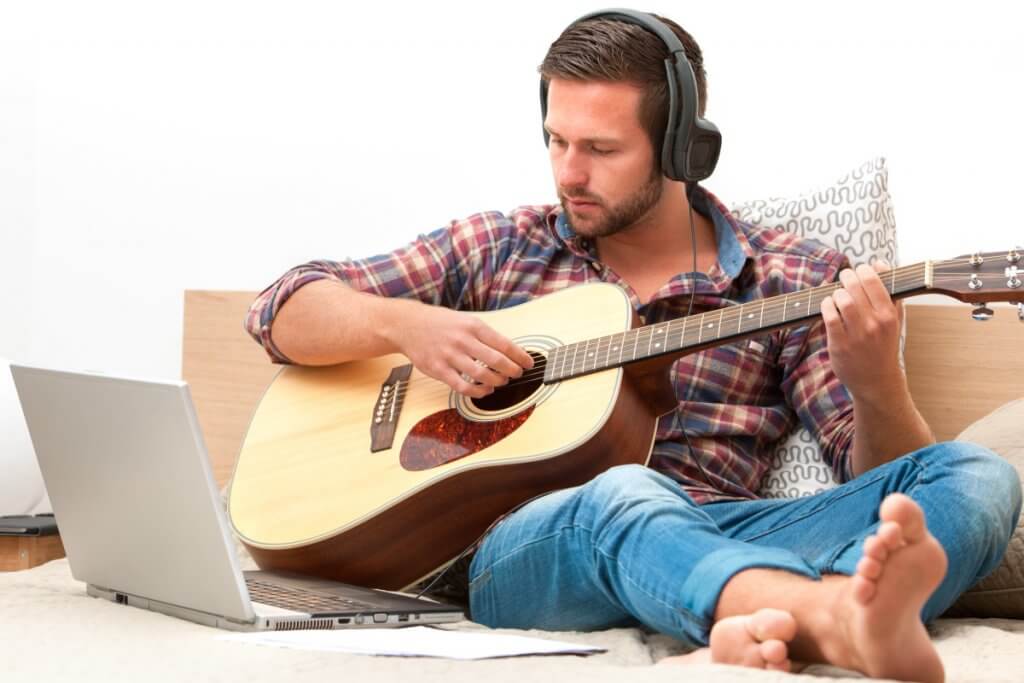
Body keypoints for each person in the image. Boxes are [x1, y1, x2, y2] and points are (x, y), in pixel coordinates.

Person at [244, 10, 1021, 681]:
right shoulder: (500, 245)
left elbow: (884, 487)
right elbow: (282, 308)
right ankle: (834, 619)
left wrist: (877, 382)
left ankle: (764, 614)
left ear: (683, 148)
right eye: (555, 140)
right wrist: (405, 324)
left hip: (725, 526)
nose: (568, 174)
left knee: (981, 475)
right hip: (533, 550)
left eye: (601, 150)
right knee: (627, 492)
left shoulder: (794, 276)